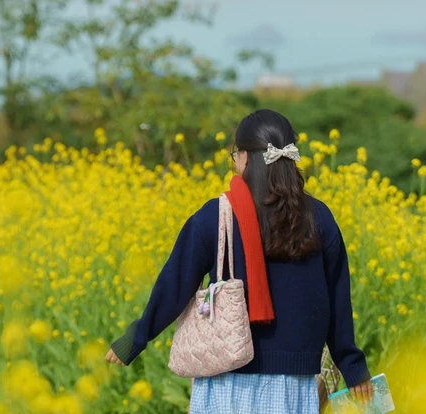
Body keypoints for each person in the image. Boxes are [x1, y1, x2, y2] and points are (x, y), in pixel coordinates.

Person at [106, 109, 373, 413]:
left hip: (227, 380)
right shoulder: (317, 217)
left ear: (245, 157)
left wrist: (135, 338)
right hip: (293, 385)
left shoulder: (215, 216)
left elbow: (174, 285)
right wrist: (351, 365)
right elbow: (338, 298)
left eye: (235, 154)